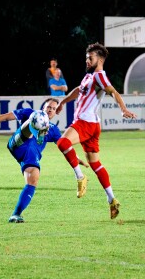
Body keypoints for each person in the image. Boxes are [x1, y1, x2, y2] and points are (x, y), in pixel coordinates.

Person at [55, 43, 136, 219]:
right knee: (96, 164)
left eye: (90, 58)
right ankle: (112, 199)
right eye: (86, 57)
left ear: (99, 59)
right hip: (93, 126)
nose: (87, 60)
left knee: (62, 143)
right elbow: (79, 90)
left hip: (85, 123)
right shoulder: (89, 77)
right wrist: (63, 102)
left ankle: (80, 177)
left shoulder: (99, 76)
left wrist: (123, 109)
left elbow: (113, 91)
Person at [0, 98, 64, 223]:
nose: (50, 110)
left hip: (29, 157)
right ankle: (37, 127)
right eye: (49, 107)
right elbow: (6, 117)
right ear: (44, 107)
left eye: (54, 109)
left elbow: (64, 146)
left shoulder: (54, 130)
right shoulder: (30, 112)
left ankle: (16, 214)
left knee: (33, 179)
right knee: (35, 117)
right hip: (18, 143)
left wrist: (76, 160)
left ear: (55, 113)